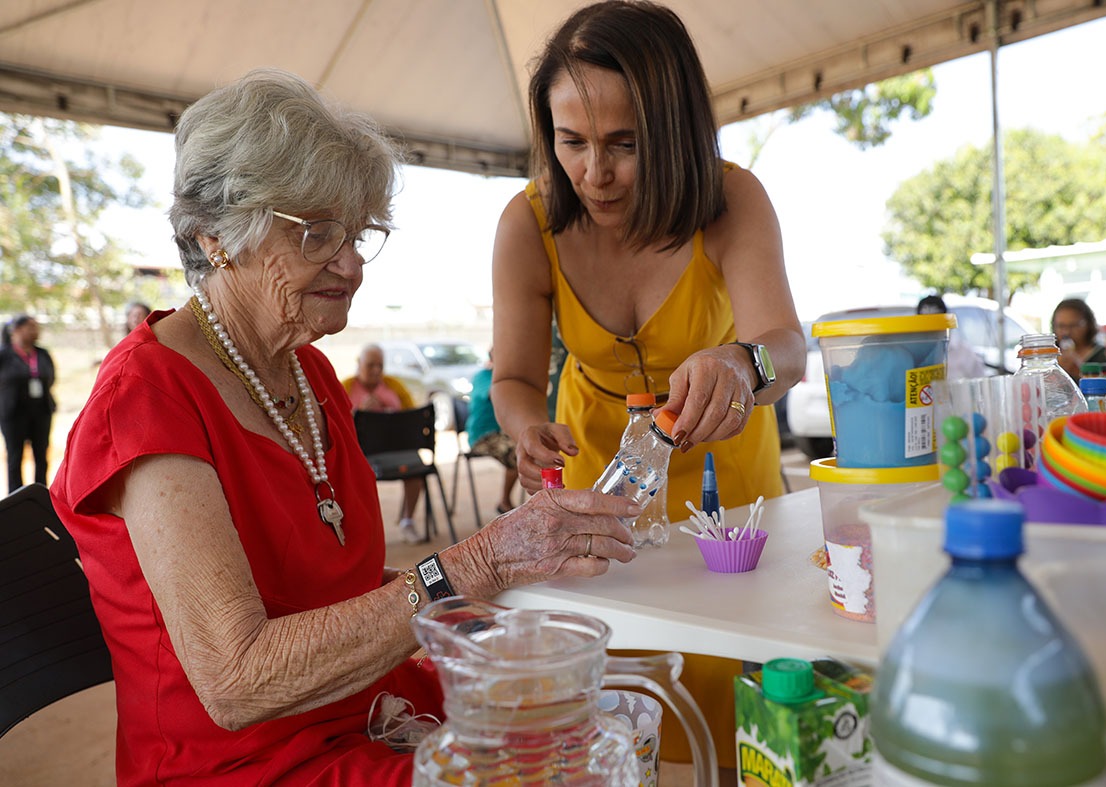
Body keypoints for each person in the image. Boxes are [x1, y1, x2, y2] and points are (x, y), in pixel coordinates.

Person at [49, 68, 637, 786]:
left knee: (600, 726)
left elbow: (332, 587)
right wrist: (471, 566)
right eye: (317, 234)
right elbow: (235, 680)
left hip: (367, 711)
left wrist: (489, 589)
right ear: (216, 237)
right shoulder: (146, 397)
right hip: (245, 764)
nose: (352, 264)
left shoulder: (310, 373)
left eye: (356, 233)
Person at [488, 0, 805, 767]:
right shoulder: (527, 223)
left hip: (725, 479)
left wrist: (741, 364)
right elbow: (515, 377)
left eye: (624, 145)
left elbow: (787, 350)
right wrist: (525, 428)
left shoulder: (731, 198)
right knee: (611, 708)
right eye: (571, 141)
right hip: (596, 480)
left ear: (673, 130)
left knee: (730, 701)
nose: (594, 173)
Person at [342, 343, 425, 543]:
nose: (376, 370)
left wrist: (390, 412)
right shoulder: (345, 388)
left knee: (416, 467)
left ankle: (407, 521)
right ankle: (362, 532)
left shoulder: (394, 386)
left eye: (380, 365)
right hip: (362, 455)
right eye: (370, 365)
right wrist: (359, 413)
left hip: (397, 450)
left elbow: (413, 419)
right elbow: (337, 426)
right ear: (359, 364)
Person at [0, 315, 56, 493]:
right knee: (15, 456)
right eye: (30, 327)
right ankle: (15, 497)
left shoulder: (42, 354)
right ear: (17, 330)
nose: (35, 331)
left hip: (41, 411)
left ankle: (41, 495)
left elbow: (51, 377)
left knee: (41, 455)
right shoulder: (4, 355)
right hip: (13, 413)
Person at [466, 347, 519, 514]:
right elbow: (496, 394)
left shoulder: (511, 379)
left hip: (503, 433)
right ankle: (505, 502)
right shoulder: (483, 376)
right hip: (483, 435)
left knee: (528, 447)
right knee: (517, 452)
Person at [916, 294, 987, 378]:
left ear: (945, 320)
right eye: (925, 321)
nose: (931, 327)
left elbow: (980, 380)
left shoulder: (964, 352)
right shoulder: (913, 353)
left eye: (935, 320)